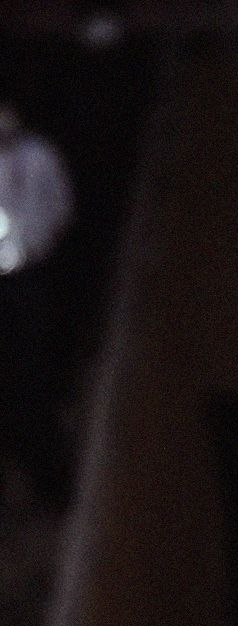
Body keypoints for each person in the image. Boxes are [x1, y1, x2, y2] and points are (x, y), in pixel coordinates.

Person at [0, 96, 75, 510]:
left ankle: (53, 472)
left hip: (34, 273)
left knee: (37, 364)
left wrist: (36, 244)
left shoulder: (39, 156)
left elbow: (61, 207)